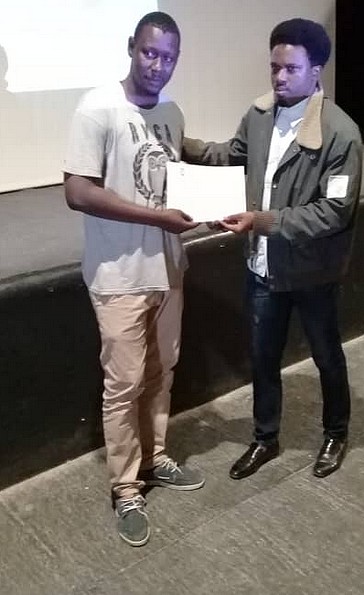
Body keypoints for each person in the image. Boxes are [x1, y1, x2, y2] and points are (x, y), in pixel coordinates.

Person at [183, 18, 362, 481]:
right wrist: (182, 144)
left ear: (316, 70)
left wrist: (262, 221)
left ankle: (336, 433)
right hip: (262, 267)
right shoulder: (260, 115)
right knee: (263, 359)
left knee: (326, 355)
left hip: (314, 272)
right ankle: (265, 438)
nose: (279, 78)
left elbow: (333, 213)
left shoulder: (340, 133)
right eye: (274, 67)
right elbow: (232, 154)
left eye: (291, 69)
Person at [64, 11, 205, 548]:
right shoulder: (97, 107)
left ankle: (155, 456)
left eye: (168, 57)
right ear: (131, 47)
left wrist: (205, 210)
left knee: (161, 371)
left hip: (168, 267)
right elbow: (77, 191)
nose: (158, 65)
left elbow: (175, 184)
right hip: (118, 274)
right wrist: (157, 218)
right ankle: (125, 487)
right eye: (150, 52)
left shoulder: (172, 112)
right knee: (122, 386)